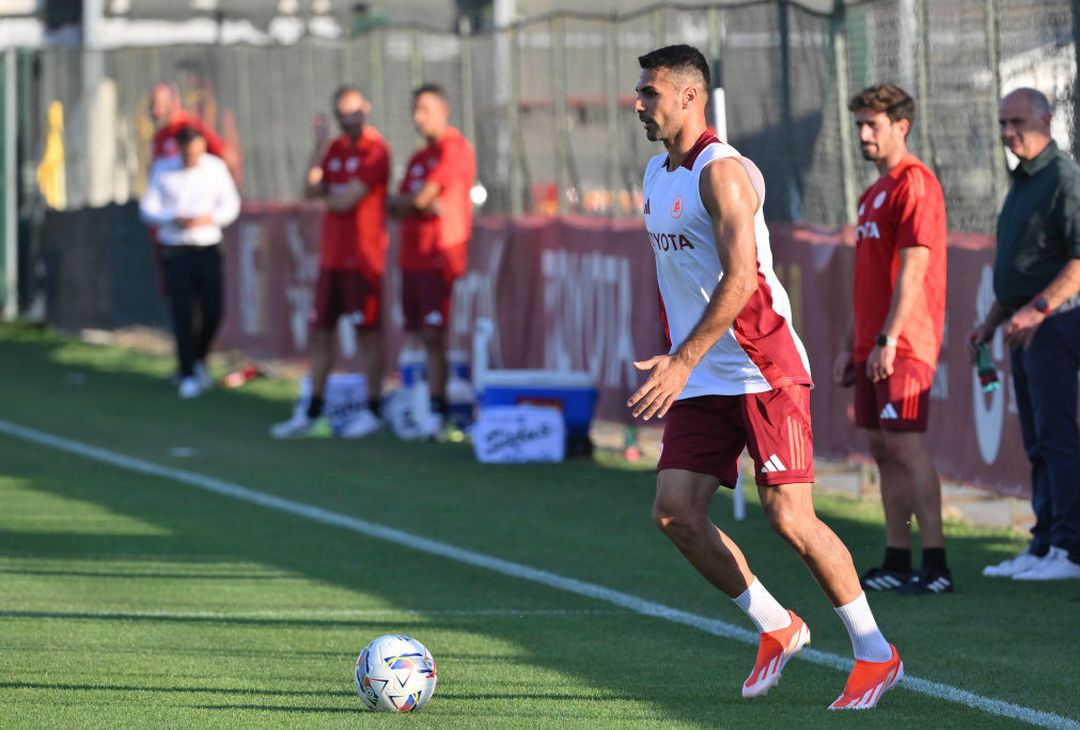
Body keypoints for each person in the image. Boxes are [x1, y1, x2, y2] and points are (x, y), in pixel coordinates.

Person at [630, 44, 902, 710]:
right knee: (675, 514)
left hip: (759, 365)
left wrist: (683, 357)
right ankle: (776, 625)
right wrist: (681, 358)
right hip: (702, 373)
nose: (638, 103)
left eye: (651, 92)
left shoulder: (722, 174)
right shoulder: (652, 172)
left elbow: (742, 278)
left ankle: (875, 653)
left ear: (691, 96)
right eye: (639, 92)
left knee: (789, 516)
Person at [832, 84, 952, 594]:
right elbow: (869, 277)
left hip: (903, 341)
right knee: (883, 449)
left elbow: (914, 269)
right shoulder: (871, 193)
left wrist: (888, 337)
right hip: (873, 342)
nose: (863, 134)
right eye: (859, 123)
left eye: (872, 124)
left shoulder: (915, 183)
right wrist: (851, 342)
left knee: (905, 447)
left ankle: (938, 562)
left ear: (901, 126)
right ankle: (898, 556)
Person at [973, 88, 1080, 581]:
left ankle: (1069, 548)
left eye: (1017, 122)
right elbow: (1022, 267)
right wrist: (994, 319)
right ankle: (1042, 544)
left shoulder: (1062, 178)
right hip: (1022, 327)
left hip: (1055, 326)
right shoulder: (1021, 182)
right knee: (1037, 440)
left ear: (1047, 119)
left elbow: (1077, 262)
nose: (1008, 132)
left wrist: (1037, 310)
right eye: (1002, 123)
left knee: (1057, 438)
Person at [271, 86, 391, 439]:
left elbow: (344, 203)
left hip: (364, 259)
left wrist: (329, 192)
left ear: (366, 109)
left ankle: (372, 410)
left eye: (354, 112)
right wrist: (319, 146)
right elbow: (309, 188)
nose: (349, 120)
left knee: (368, 336)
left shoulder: (376, 151)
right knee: (319, 333)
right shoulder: (334, 149)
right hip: (332, 260)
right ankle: (311, 411)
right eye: (343, 114)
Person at [388, 83, 476, 436]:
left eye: (424, 109)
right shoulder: (417, 158)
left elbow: (421, 199)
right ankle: (427, 405)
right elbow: (397, 206)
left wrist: (415, 201)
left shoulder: (454, 148)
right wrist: (415, 201)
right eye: (414, 109)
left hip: (440, 255)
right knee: (421, 336)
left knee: (433, 335)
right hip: (412, 256)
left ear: (443, 110)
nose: (417, 117)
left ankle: (439, 412)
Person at [139, 126, 240, 399]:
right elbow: (148, 208)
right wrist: (173, 217)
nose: (194, 159)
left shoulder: (215, 168)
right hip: (176, 249)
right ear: (180, 150)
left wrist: (210, 218)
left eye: (198, 153)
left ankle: (198, 359)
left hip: (207, 246)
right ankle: (186, 372)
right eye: (189, 154)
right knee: (183, 313)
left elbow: (231, 204)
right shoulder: (164, 169)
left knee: (213, 311)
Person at [149, 82, 241, 181]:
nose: (156, 111)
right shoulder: (160, 136)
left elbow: (229, 159)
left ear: (175, 102)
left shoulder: (191, 127)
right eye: (153, 105)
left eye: (160, 105)